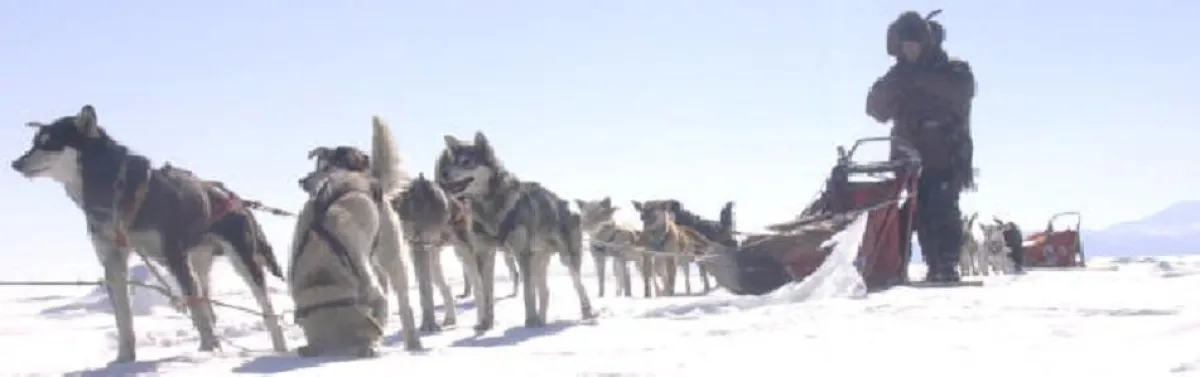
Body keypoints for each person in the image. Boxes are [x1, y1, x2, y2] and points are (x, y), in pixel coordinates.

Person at [865, 10, 977, 283]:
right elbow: (875, 109)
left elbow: (962, 91)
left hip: (945, 157)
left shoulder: (952, 69)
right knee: (906, 212)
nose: (909, 50)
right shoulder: (897, 75)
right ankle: (893, 262)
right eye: (904, 45)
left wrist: (919, 79)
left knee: (940, 207)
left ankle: (945, 264)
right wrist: (897, 83)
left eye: (914, 44)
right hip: (907, 160)